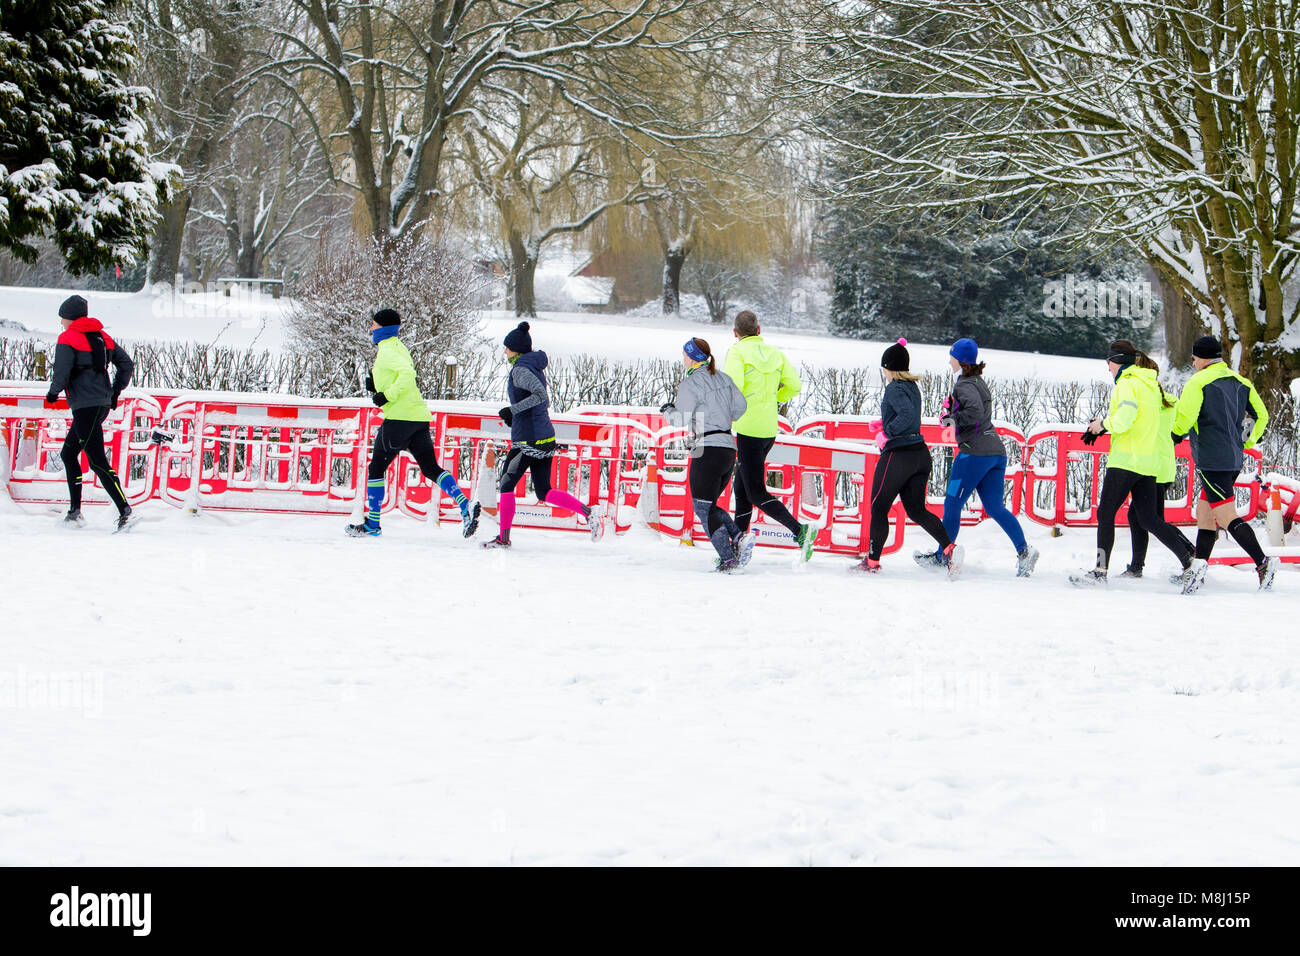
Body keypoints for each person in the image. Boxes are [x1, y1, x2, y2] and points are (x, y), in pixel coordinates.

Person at [1070, 339, 1196, 588]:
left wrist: (1103, 425)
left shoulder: (1126, 384)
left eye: (1108, 363)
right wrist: (1106, 423)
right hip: (1149, 463)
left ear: (1116, 362)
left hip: (1126, 460)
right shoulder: (1150, 385)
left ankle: (1099, 571)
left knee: (1106, 513)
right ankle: (1191, 560)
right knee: (1149, 519)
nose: (1108, 369)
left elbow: (1126, 417)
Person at [345, 309, 480, 538]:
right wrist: (377, 387)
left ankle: (373, 525)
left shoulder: (387, 350)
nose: (371, 329)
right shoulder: (398, 346)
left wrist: (386, 395)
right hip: (418, 417)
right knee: (430, 468)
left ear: (384, 328)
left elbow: (407, 375)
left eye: (374, 325)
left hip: (399, 417)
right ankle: (464, 505)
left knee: (376, 467)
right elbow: (400, 376)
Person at [915, 338, 1038, 576]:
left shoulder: (964, 385)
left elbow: (974, 412)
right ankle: (1024, 551)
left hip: (974, 452)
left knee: (952, 504)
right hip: (995, 452)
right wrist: (953, 409)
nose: (948, 359)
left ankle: (943, 556)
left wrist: (950, 419)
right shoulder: (977, 382)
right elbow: (976, 410)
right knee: (994, 507)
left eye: (951, 355)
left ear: (960, 360)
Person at [482, 321, 604, 549]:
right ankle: (588, 513)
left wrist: (512, 410)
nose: (505, 352)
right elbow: (534, 400)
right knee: (543, 491)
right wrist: (515, 415)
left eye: (507, 348)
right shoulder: (533, 366)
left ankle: (503, 539)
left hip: (529, 440)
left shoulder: (520, 370)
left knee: (507, 484)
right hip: (543, 437)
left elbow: (540, 397)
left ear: (516, 350)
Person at [1171, 335, 1275, 591]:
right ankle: (1198, 570)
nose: (1193, 362)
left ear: (1203, 358)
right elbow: (1262, 415)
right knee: (1205, 512)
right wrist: (1245, 442)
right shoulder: (1241, 382)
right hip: (1233, 458)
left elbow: (1186, 416)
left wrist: (1174, 435)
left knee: (1226, 515)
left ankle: (1263, 563)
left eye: (1194, 358)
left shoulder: (1198, 382)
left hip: (1211, 459)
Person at [854, 338, 961, 574]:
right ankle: (949, 548)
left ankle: (871, 562)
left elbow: (905, 415)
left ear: (888, 367)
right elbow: (909, 416)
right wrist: (884, 422)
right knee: (916, 510)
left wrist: (886, 432)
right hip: (920, 455)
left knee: (879, 507)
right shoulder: (912, 387)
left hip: (899, 456)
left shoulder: (893, 388)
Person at [723, 310, 817, 562]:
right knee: (741, 490)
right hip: (768, 429)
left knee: (755, 492)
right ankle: (737, 546)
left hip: (747, 429)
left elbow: (733, 387)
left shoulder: (736, 352)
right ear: (759, 330)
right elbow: (794, 386)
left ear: (735, 333)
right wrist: (774, 399)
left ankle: (801, 532)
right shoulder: (776, 353)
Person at [45, 294, 136, 531]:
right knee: (68, 454)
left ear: (69, 317)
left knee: (97, 461)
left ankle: (125, 511)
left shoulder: (68, 338)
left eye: (62, 318)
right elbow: (126, 364)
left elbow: (62, 370)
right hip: (100, 404)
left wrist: (53, 392)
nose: (61, 323)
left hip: (86, 405)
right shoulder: (102, 337)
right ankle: (75, 512)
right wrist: (114, 391)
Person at [660, 337, 749, 572]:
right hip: (728, 448)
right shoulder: (723, 377)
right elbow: (741, 407)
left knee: (702, 507)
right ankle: (738, 539)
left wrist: (668, 410)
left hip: (705, 448)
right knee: (707, 505)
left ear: (691, 357)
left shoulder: (691, 384)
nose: (682, 359)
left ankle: (729, 557)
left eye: (684, 355)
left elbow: (679, 419)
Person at [1119, 354, 1178, 579]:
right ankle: (1136, 566)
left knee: (1150, 520)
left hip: (1151, 467)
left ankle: (1190, 557)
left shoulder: (1146, 399)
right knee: (1139, 518)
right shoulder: (1170, 401)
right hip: (1163, 466)